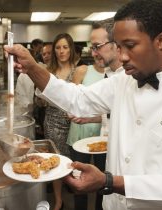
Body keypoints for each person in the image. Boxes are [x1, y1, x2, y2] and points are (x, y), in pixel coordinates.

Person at [4, 1, 162, 210]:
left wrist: (110, 181)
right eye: (118, 47)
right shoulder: (124, 80)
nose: (122, 56)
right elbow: (78, 99)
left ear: (161, 40)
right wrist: (32, 68)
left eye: (129, 46)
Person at [43, 33, 86, 210]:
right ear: (54, 50)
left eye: (65, 47)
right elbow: (41, 98)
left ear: (71, 48)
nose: (61, 51)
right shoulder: (49, 71)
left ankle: (77, 193)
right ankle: (59, 200)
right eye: (58, 48)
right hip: (53, 122)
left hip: (75, 123)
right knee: (56, 161)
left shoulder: (79, 70)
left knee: (75, 161)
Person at [67, 61, 105, 210]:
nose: (96, 53)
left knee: (104, 180)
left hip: (103, 136)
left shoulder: (117, 75)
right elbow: (72, 100)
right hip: (79, 134)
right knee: (79, 179)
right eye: (94, 47)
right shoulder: (82, 70)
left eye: (99, 46)